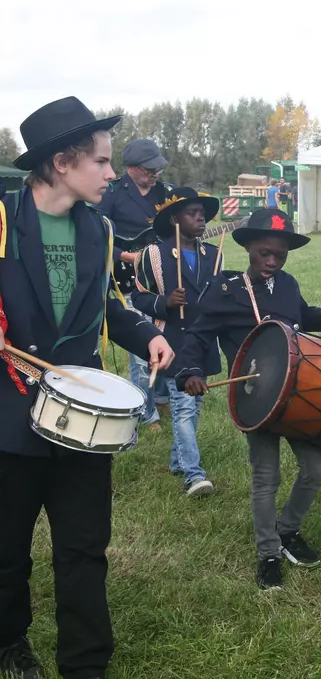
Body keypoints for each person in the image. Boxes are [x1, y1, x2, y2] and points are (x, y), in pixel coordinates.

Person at [0, 96, 175, 679]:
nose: (110, 173)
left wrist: (146, 332)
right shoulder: (0, 219)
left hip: (80, 420)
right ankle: (8, 641)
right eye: (101, 162)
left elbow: (103, 306)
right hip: (7, 415)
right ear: (62, 162)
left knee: (83, 549)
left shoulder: (97, 231)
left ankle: (85, 663)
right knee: (5, 551)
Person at [174, 208, 321, 591]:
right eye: (263, 253)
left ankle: (288, 531)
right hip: (256, 397)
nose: (271, 262)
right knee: (266, 475)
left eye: (279, 256)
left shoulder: (287, 284)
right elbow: (198, 334)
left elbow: (298, 316)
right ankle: (268, 552)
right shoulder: (226, 290)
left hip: (299, 391)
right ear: (248, 247)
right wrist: (191, 372)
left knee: (315, 470)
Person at [130, 187, 223, 497]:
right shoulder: (153, 254)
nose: (200, 218)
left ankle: (176, 462)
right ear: (174, 219)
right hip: (172, 341)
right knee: (183, 408)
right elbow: (140, 297)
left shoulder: (214, 254)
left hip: (204, 343)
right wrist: (165, 302)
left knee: (194, 407)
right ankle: (193, 476)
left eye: (203, 214)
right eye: (192, 213)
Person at [98, 137, 173, 429]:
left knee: (166, 338)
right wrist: (123, 256)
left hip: (160, 279)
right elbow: (97, 231)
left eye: (157, 168)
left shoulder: (165, 192)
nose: (154, 174)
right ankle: (146, 412)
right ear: (131, 168)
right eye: (148, 169)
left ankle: (164, 399)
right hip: (126, 279)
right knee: (141, 349)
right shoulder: (112, 192)